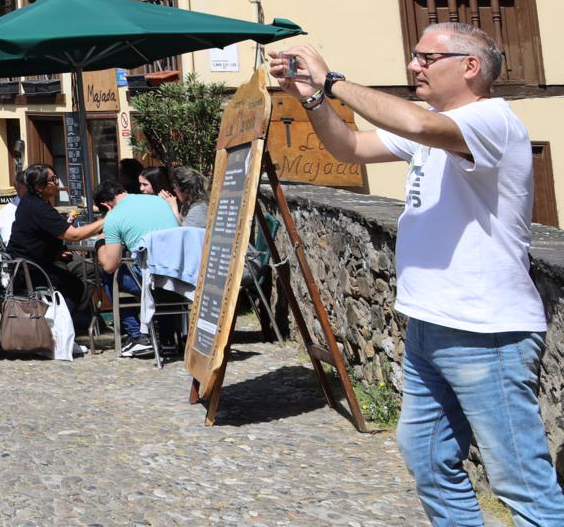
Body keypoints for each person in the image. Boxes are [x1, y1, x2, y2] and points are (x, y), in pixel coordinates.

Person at [271, 27, 564, 527]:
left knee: (519, 480)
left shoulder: (490, 120)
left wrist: (333, 79)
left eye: (427, 57)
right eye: (414, 56)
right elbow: (351, 148)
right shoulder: (434, 125)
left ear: (470, 66)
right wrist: (315, 97)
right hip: (429, 323)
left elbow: (417, 126)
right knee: (426, 458)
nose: (413, 66)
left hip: (485, 330)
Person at [5, 163, 105, 332]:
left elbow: (38, 236)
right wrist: (105, 221)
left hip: (34, 263)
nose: (57, 182)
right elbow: (74, 235)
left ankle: (73, 320)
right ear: (39, 186)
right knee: (76, 283)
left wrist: (57, 252)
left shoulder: (33, 202)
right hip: (30, 270)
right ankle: (60, 329)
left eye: (56, 178)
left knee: (84, 268)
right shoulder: (38, 207)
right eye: (53, 179)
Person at [95, 176, 179, 356]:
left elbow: (109, 264)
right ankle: (167, 338)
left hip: (150, 281)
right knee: (160, 274)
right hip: (179, 275)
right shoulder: (158, 200)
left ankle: (137, 337)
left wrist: (100, 243)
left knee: (111, 275)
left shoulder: (114, 217)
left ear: (105, 205)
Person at [169, 165, 209, 229]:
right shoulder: (187, 204)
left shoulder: (199, 208)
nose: (174, 190)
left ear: (185, 190)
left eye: (175, 187)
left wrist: (173, 207)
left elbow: (183, 233)